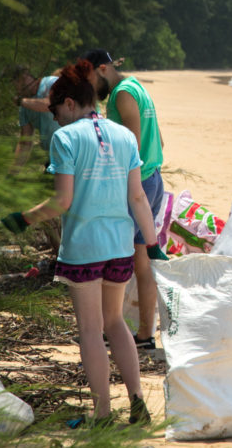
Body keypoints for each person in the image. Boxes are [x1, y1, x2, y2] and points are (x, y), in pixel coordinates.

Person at [0, 60, 152, 427]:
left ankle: (101, 415)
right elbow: (137, 198)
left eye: (54, 110)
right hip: (120, 247)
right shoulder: (125, 136)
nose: (53, 118)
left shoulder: (64, 139)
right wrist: (152, 240)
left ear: (69, 103)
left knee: (89, 330)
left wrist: (23, 219)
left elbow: (61, 202)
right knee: (115, 322)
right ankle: (137, 403)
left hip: (84, 248)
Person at [83, 49, 163, 350]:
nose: (91, 87)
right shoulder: (137, 87)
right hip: (153, 177)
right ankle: (143, 333)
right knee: (141, 259)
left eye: (90, 78)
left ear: (101, 69)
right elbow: (159, 140)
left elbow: (132, 146)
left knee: (124, 257)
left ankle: (121, 328)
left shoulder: (121, 95)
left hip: (138, 184)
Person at [9, 66, 61, 173]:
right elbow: (25, 143)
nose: (16, 91)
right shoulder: (24, 108)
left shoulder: (52, 82)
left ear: (24, 78)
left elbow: (50, 104)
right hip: (55, 160)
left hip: (76, 152)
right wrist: (13, 173)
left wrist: (21, 102)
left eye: (15, 84)